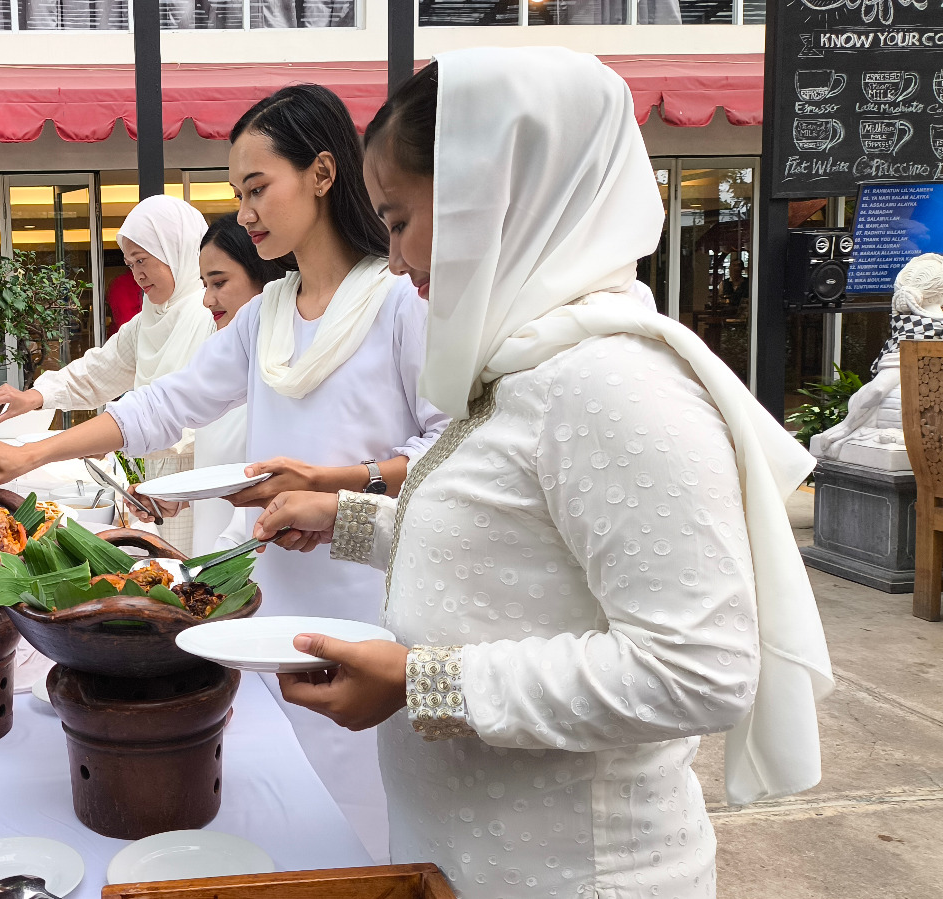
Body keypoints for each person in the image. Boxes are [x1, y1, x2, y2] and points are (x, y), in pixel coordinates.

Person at [254, 49, 833, 897]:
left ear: (497, 204)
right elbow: (510, 545)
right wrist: (345, 519)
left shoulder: (613, 385)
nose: (399, 260)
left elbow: (697, 669)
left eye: (401, 218)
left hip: (574, 873)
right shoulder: (530, 362)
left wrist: (425, 682)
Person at [0, 84, 450, 861]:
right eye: (239, 194)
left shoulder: (396, 302)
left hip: (372, 603)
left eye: (258, 189)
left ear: (322, 173)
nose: (246, 214)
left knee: (365, 822)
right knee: (284, 819)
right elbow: (161, 405)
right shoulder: (266, 313)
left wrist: (338, 481)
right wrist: (29, 450)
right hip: (272, 596)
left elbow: (447, 449)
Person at [0, 194, 219, 549]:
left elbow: (182, 413)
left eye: (143, 260)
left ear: (177, 252)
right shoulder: (151, 319)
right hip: (157, 486)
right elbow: (100, 370)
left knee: (203, 561)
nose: (137, 273)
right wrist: (34, 396)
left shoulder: (212, 316)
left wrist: (108, 438)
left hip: (206, 478)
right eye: (129, 263)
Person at [188, 213, 291, 554]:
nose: (207, 300)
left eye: (219, 283)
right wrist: (182, 499)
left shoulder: (286, 370)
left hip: (252, 560)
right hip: (212, 562)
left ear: (262, 277)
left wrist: (228, 547)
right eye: (204, 285)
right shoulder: (218, 359)